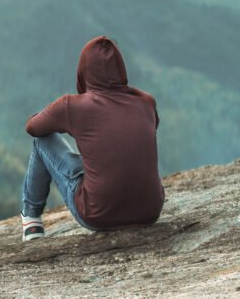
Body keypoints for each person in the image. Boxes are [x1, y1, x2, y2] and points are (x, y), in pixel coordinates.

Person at [20, 35, 165, 241]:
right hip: (150, 212)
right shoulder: (146, 102)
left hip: (98, 215)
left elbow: (33, 128)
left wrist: (59, 114)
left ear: (83, 71)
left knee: (43, 141)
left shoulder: (72, 106)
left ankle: (31, 220)